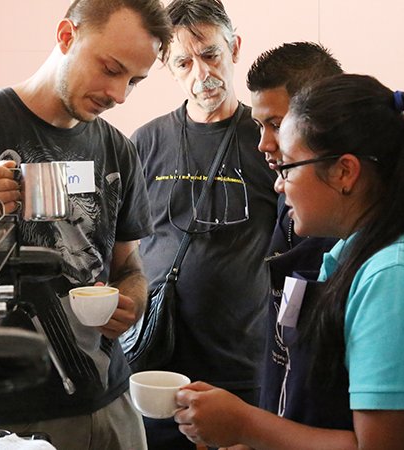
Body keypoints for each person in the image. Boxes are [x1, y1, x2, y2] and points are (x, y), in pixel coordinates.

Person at [173, 74, 404, 450]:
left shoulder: (397, 279)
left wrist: (245, 424)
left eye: (287, 167)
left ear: (343, 172)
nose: (279, 186)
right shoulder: (356, 256)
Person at [0, 1, 172, 448]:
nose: (120, 95)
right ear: (66, 36)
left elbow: (129, 266)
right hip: (8, 416)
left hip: (113, 403)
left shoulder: (118, 151)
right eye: (110, 69)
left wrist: (130, 299)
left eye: (134, 80)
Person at [129, 1, 277, 448]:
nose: (201, 73)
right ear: (167, 67)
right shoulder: (146, 141)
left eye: (211, 54)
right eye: (183, 62)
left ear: (234, 48)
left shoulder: (270, 139)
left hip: (243, 371)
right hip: (154, 366)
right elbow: (121, 245)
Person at [245, 42, 346, 425]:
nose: (263, 144)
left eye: (276, 124)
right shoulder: (288, 197)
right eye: (260, 126)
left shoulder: (376, 255)